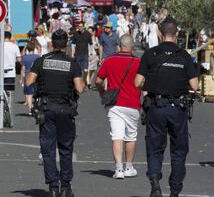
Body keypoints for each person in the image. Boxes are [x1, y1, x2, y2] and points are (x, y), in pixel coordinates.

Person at [134, 17, 199, 197]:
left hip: (156, 106)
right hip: (177, 108)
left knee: (154, 147)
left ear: (159, 33)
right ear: (177, 34)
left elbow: (137, 82)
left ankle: (155, 181)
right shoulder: (184, 56)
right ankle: (175, 189)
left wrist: (151, 84)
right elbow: (195, 86)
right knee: (179, 150)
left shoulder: (150, 54)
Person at [25, 29, 85, 197]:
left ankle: (52, 186)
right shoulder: (72, 63)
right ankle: (65, 187)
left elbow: (28, 81)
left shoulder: (42, 61)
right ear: (66, 44)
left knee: (48, 149)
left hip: (46, 108)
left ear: (52, 43)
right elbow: (80, 88)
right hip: (65, 109)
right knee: (66, 149)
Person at [96, 34, 141, 179]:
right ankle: (129, 167)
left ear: (119, 46)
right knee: (131, 136)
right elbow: (143, 83)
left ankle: (119, 169)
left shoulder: (110, 60)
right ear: (132, 46)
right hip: (133, 104)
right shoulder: (138, 62)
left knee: (117, 136)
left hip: (115, 104)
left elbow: (98, 80)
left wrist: (103, 93)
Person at [19, 43, 39, 114]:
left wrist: (21, 78)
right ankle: (37, 105)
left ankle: (30, 110)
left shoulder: (25, 58)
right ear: (34, 49)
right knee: (37, 92)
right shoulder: (38, 57)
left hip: (28, 76)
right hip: (36, 76)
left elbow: (23, 69)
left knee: (29, 94)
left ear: (27, 49)